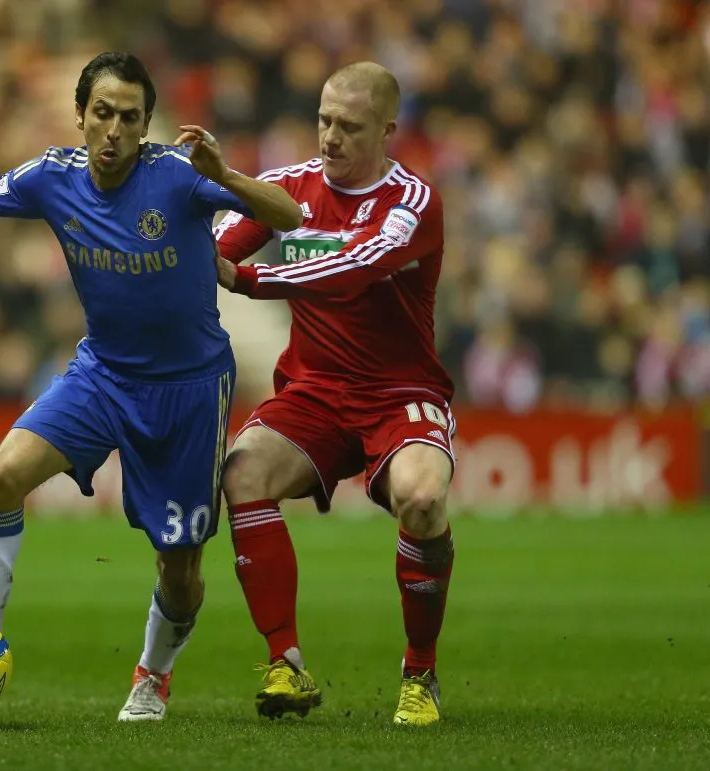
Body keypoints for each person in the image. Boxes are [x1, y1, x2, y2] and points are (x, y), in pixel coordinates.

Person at [0, 51, 302, 722]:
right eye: (102, 114)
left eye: (130, 118)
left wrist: (228, 175)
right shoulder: (51, 176)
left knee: (180, 570)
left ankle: (152, 675)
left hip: (188, 390)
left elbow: (291, 214)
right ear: (80, 116)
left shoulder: (181, 178)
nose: (113, 130)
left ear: (146, 124)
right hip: (102, 374)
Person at [214, 61, 455, 726]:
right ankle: (285, 664)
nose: (329, 137)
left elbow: (353, 266)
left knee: (423, 497)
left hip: (398, 392)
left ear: (386, 131)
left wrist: (249, 280)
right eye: (323, 119)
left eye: (348, 126)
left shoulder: (413, 204)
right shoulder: (285, 187)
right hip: (315, 391)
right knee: (244, 471)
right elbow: (221, 244)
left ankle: (419, 671)